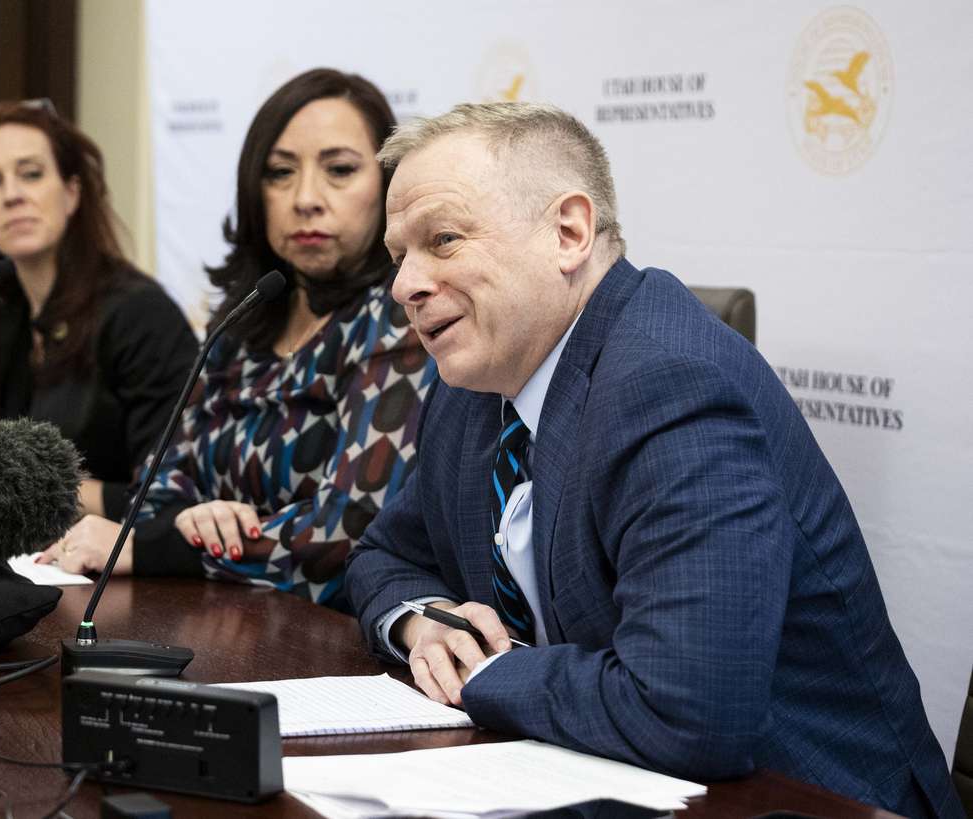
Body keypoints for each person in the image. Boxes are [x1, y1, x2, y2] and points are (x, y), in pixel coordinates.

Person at [345, 102, 960, 817]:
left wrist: (489, 673)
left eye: (443, 240)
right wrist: (425, 623)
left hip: (807, 799)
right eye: (398, 257)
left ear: (568, 232)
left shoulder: (670, 384)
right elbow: (382, 555)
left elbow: (690, 711)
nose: (404, 286)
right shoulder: (476, 382)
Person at [38, 69, 437, 610]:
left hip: (334, 642)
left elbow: (347, 530)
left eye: (339, 170)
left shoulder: (400, 314)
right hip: (208, 616)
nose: (306, 198)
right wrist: (190, 520)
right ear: (255, 192)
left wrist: (175, 547)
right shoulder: (246, 317)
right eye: (279, 173)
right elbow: (158, 486)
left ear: (388, 186)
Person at [0, 100, 196, 520]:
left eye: (31, 174)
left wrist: (21, 489)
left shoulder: (140, 313)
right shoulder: (5, 308)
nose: (12, 196)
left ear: (71, 193)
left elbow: (167, 497)